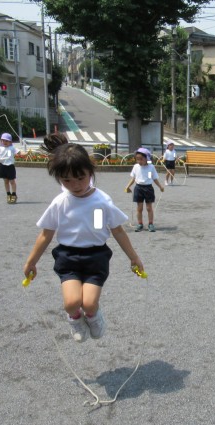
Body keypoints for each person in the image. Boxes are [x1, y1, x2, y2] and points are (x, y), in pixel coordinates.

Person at [23, 143, 144, 343]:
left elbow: (116, 230)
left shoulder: (100, 201)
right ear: (59, 179)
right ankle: (75, 319)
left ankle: (93, 316)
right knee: (71, 303)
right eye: (67, 180)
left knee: (88, 303)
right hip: (68, 257)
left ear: (91, 171)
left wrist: (134, 258)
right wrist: (31, 261)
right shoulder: (60, 202)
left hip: (95, 257)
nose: (76, 185)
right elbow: (46, 234)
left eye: (81, 178)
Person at [125, 148, 165, 232]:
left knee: (149, 208)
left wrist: (160, 186)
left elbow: (153, 178)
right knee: (139, 208)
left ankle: (150, 224)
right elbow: (133, 178)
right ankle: (140, 224)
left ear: (147, 158)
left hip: (148, 188)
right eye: (137, 159)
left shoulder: (151, 167)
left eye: (141, 159)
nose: (139, 161)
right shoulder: (136, 167)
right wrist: (128, 186)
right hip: (138, 188)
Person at [0, 133, 26, 204]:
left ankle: (14, 194)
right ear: (1, 141)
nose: (5, 142)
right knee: (6, 181)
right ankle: (8, 194)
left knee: (12, 181)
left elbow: (20, 153)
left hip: (10, 166)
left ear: (10, 142)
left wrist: (27, 153)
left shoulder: (12, 148)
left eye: (7, 141)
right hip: (2, 166)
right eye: (3, 140)